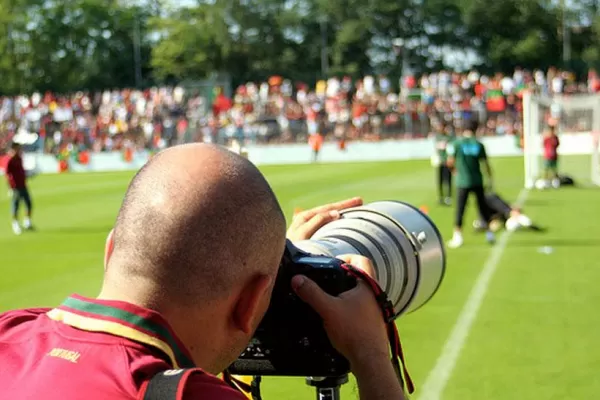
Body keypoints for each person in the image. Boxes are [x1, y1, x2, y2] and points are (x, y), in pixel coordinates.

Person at [0, 143, 406, 400]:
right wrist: (370, 357)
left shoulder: (9, 332)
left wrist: (267, 264)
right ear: (249, 305)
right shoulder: (186, 394)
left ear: (111, 251)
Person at [446, 120, 495, 248]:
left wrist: (455, 172)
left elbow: (450, 162)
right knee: (482, 207)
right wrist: (490, 179)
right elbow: (486, 164)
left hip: (462, 181)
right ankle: (489, 233)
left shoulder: (456, 144)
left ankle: (458, 235)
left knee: (461, 209)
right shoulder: (478, 144)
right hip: (477, 180)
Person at [472, 191, 543, 233]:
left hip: (493, 205)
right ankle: (528, 223)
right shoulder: (488, 209)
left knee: (512, 216)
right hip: (493, 205)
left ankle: (528, 223)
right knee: (511, 221)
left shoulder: (491, 205)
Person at [4, 142, 34, 235]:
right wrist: (10, 188)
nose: (19, 150)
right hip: (15, 187)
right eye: (18, 148)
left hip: (23, 185)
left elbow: (21, 171)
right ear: (13, 149)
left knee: (28, 203)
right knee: (16, 205)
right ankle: (15, 224)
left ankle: (27, 222)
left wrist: (28, 175)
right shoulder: (10, 160)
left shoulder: (19, 158)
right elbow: (7, 175)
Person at [431, 121, 455, 206]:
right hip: (440, 162)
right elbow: (436, 148)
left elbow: (452, 148)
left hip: (447, 162)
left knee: (448, 180)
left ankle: (448, 196)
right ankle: (440, 197)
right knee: (439, 180)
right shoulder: (438, 137)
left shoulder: (449, 138)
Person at [542, 124, 560, 188]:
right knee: (546, 169)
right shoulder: (546, 138)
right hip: (547, 156)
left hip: (554, 156)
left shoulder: (555, 138)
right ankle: (545, 182)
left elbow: (557, 144)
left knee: (554, 169)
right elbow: (543, 145)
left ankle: (555, 182)